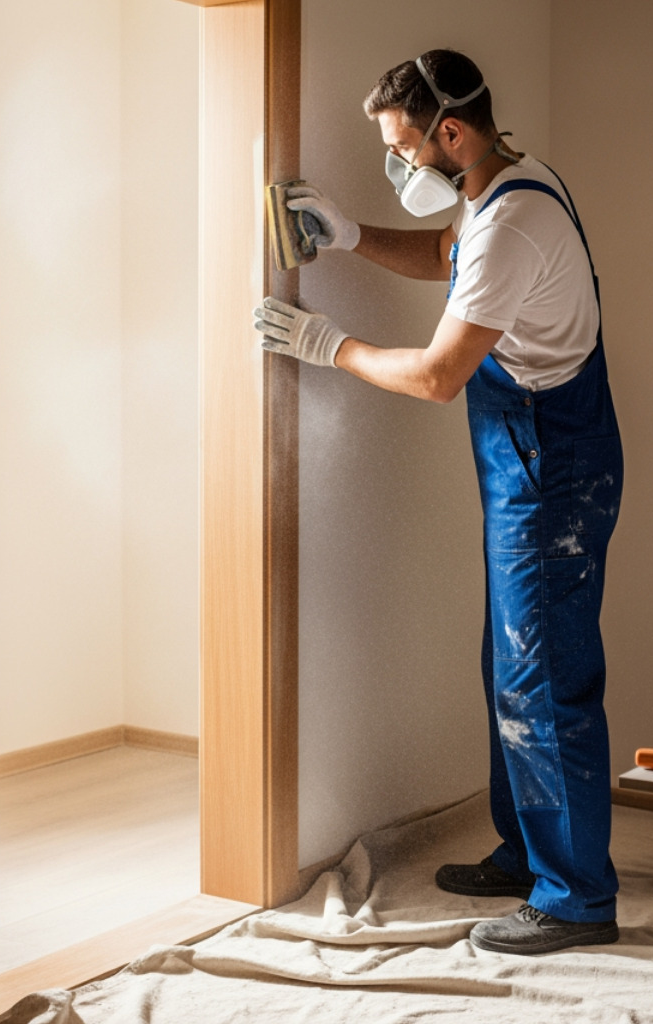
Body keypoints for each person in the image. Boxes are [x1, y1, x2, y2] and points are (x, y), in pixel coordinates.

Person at [252, 49, 623, 956]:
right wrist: (350, 236)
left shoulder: (512, 226)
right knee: (513, 664)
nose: (396, 161)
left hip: (552, 469)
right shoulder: (507, 185)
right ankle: (528, 853)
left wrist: (328, 345)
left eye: (400, 147)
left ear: (449, 132)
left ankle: (576, 898)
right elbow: (442, 252)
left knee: (543, 680)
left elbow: (437, 375)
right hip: (539, 457)